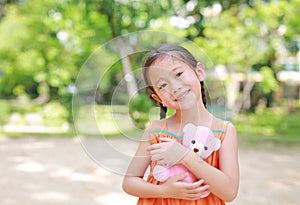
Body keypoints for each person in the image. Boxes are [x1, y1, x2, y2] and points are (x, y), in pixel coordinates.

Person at [122, 44, 239, 205]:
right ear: (158, 99)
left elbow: (229, 192)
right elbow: (129, 182)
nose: (174, 87)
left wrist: (186, 157)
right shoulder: (155, 131)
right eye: (163, 85)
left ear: (199, 72)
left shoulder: (224, 132)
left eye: (178, 74)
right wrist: (164, 191)